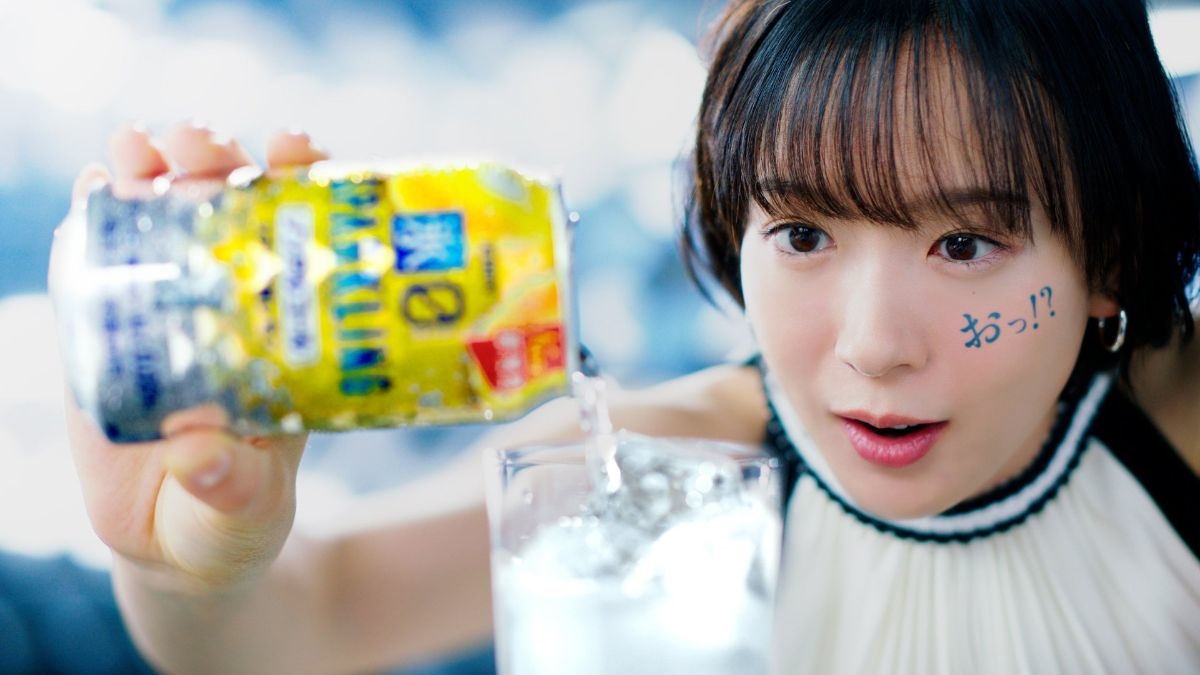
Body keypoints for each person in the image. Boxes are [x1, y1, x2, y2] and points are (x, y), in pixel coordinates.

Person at [60, 0, 1199, 672]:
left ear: (1110, 252)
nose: (874, 346)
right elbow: (314, 618)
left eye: (965, 244)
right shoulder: (675, 465)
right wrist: (190, 564)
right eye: (803, 234)